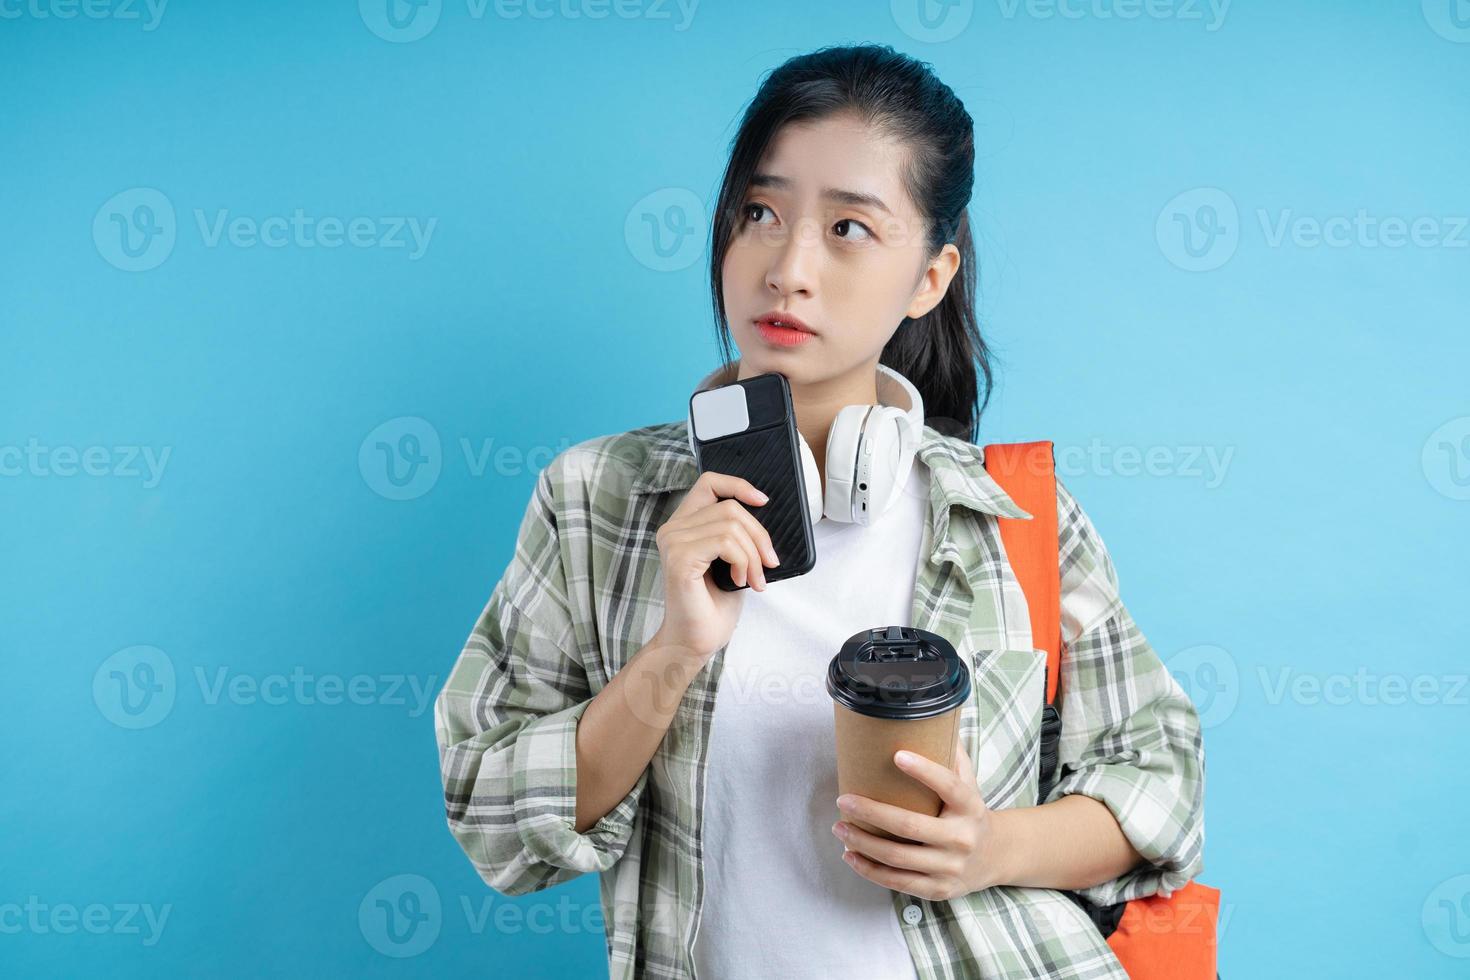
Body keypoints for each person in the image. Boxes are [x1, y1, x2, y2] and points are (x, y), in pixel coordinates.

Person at [434, 43, 1205, 980]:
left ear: (930, 276)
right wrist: (672, 653)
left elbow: (1160, 782)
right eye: (760, 212)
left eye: (848, 229)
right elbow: (491, 813)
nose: (787, 267)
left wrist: (992, 848)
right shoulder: (596, 500)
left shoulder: (1016, 517)